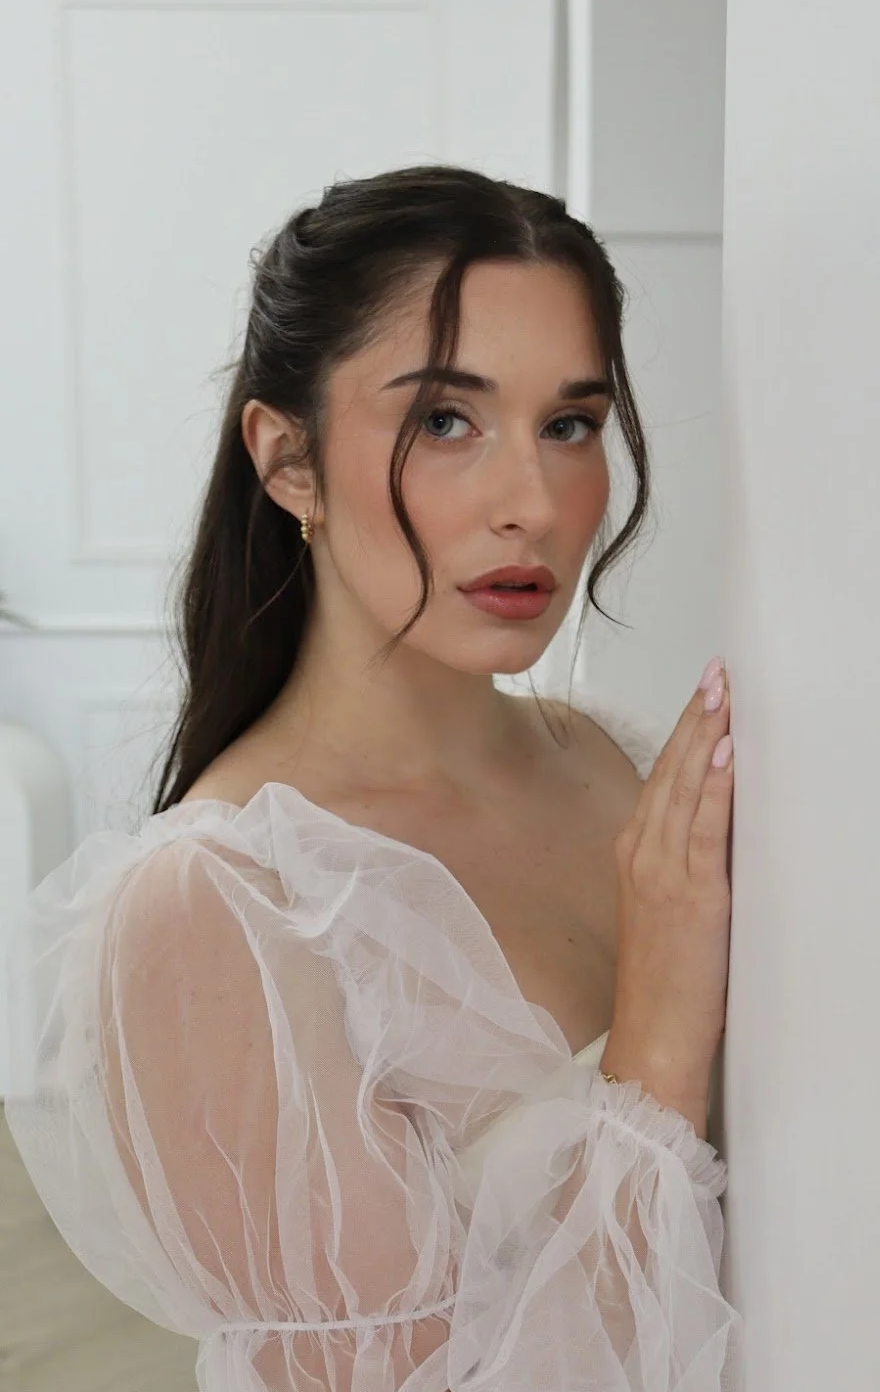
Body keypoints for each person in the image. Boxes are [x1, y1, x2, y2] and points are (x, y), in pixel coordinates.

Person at [4, 164, 742, 1391]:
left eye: (570, 424)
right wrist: (659, 1036)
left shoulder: (612, 761)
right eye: (445, 421)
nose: (534, 505)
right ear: (287, 461)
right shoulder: (219, 910)